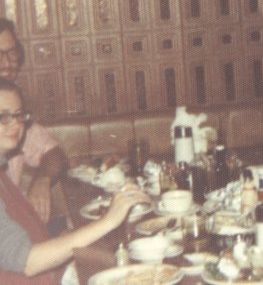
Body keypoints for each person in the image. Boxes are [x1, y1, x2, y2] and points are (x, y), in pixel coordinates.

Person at [0, 77, 151, 283]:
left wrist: (69, 234)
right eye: (3, 117)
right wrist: (108, 220)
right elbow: (28, 262)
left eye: (19, 115)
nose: (16, 124)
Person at [0, 18, 68, 226]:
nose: (7, 63)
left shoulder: (14, 118)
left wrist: (42, 180)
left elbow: (54, 154)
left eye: (11, 53)